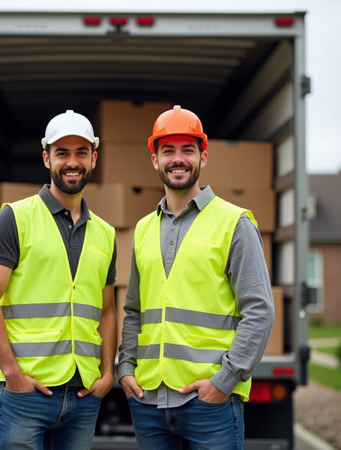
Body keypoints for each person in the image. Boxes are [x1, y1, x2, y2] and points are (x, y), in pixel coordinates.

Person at [117, 105, 274, 449]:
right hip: (149, 402)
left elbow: (259, 310)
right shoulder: (143, 230)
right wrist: (125, 368)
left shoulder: (235, 223)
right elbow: (134, 311)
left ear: (203, 157)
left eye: (187, 150)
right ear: (154, 160)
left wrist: (224, 381)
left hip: (210, 404)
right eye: (168, 150)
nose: (178, 159)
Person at [0, 110, 117, 450]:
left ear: (93, 159)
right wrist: (12, 374)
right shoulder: (15, 217)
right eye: (62, 153)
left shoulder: (106, 234)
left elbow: (107, 311)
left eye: (81, 152)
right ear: (46, 158)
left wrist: (107, 374)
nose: (72, 162)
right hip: (25, 394)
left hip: (82, 397)